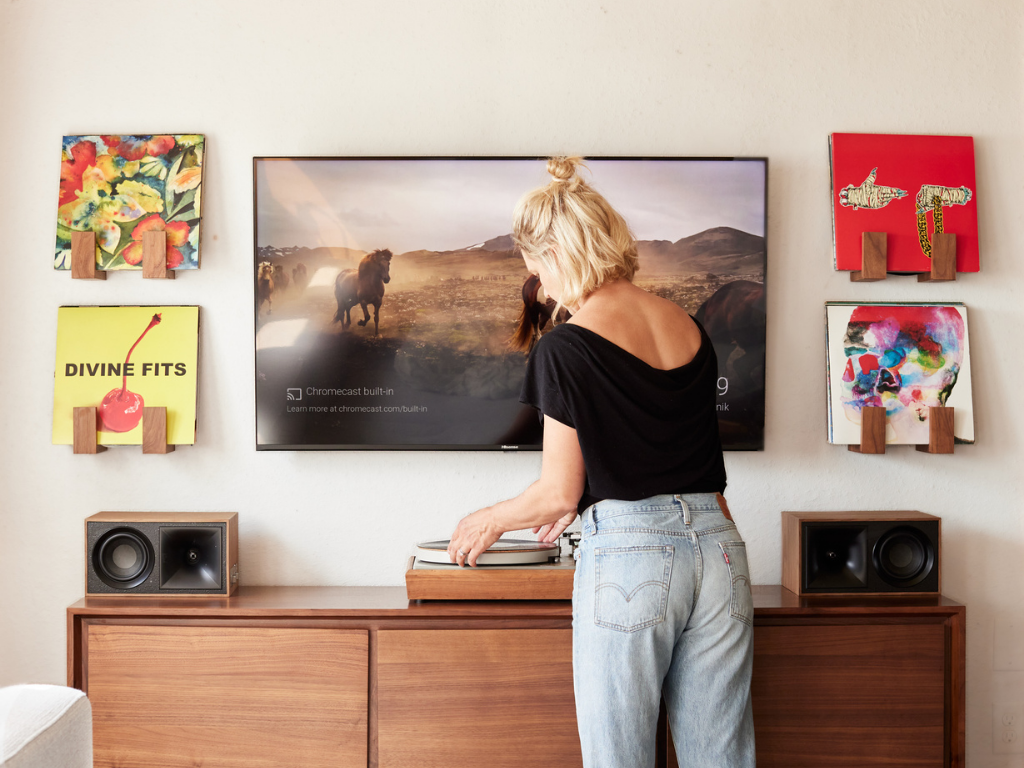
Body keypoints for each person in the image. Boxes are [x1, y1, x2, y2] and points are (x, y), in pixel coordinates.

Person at [447, 157, 755, 768]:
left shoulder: (566, 346)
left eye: (533, 261)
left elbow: (558, 493)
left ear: (558, 252)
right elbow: (673, 458)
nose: (534, 277)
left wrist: (488, 520)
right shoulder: (689, 327)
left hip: (632, 560)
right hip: (721, 550)